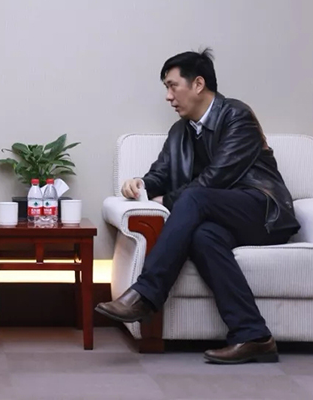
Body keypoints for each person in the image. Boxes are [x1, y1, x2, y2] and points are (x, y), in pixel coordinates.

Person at [95, 49, 300, 364]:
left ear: (198, 84)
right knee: (203, 237)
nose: (168, 96)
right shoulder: (181, 130)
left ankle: (146, 294)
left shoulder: (237, 116)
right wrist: (140, 185)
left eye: (172, 86)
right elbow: (161, 174)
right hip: (222, 216)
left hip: (263, 211)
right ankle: (253, 336)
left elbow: (217, 179)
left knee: (194, 197)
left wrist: (169, 200)